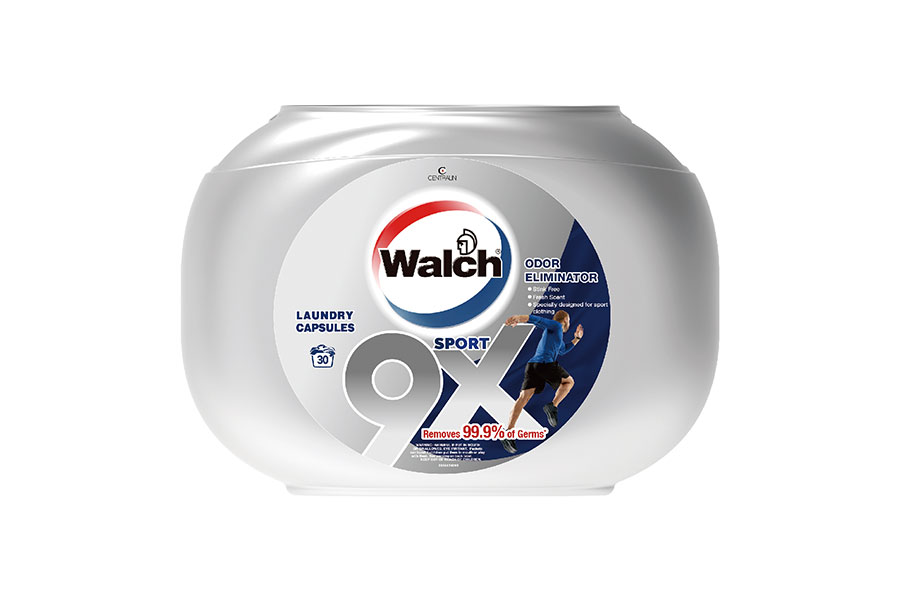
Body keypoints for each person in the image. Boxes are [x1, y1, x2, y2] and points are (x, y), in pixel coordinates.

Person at [500, 310, 583, 454]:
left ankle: (508, 433)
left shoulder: (556, 336)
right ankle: (552, 406)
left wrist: (576, 339)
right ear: (565, 320)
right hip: (545, 364)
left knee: (523, 398)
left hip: (532, 366)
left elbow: (563, 350)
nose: (569, 323)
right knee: (569, 382)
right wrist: (518, 318)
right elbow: (538, 320)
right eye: (569, 320)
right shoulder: (556, 326)